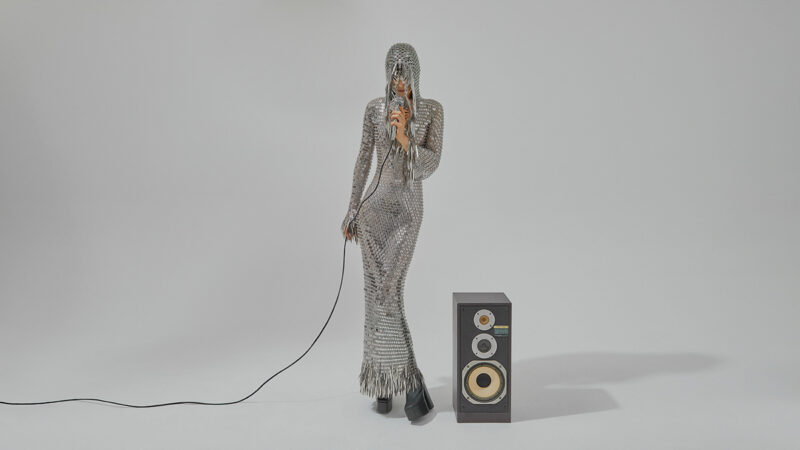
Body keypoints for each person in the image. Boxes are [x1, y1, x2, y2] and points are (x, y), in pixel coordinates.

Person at [341, 42, 444, 421]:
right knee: (374, 296)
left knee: (390, 291)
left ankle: (411, 381)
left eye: (405, 74)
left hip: (406, 212)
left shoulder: (432, 111)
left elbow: (431, 163)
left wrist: (404, 138)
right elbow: (363, 159)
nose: (400, 82)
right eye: (394, 74)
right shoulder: (375, 110)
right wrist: (353, 207)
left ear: (415, 74)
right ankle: (383, 383)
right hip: (374, 212)